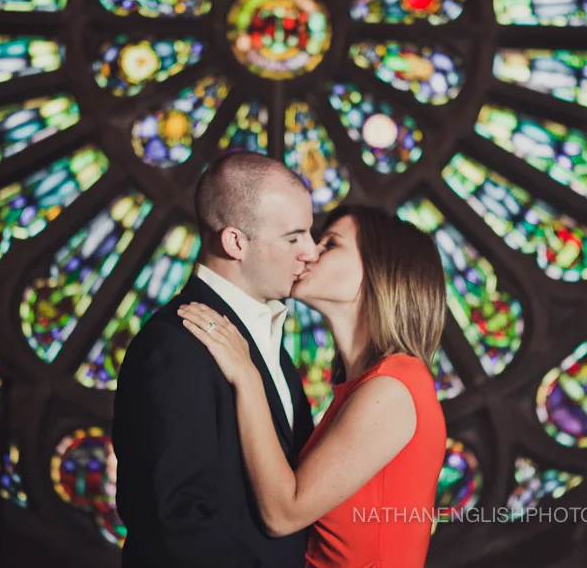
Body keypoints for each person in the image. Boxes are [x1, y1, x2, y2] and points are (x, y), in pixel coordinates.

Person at [178, 204, 449, 567]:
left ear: (379, 270)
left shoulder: (396, 387)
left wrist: (246, 375)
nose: (307, 253)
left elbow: (283, 514)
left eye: (330, 245)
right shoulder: (366, 386)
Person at [112, 152, 319, 568]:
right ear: (236, 242)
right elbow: (175, 520)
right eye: (293, 237)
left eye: (310, 234)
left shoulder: (263, 337)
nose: (311, 252)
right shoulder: (177, 345)